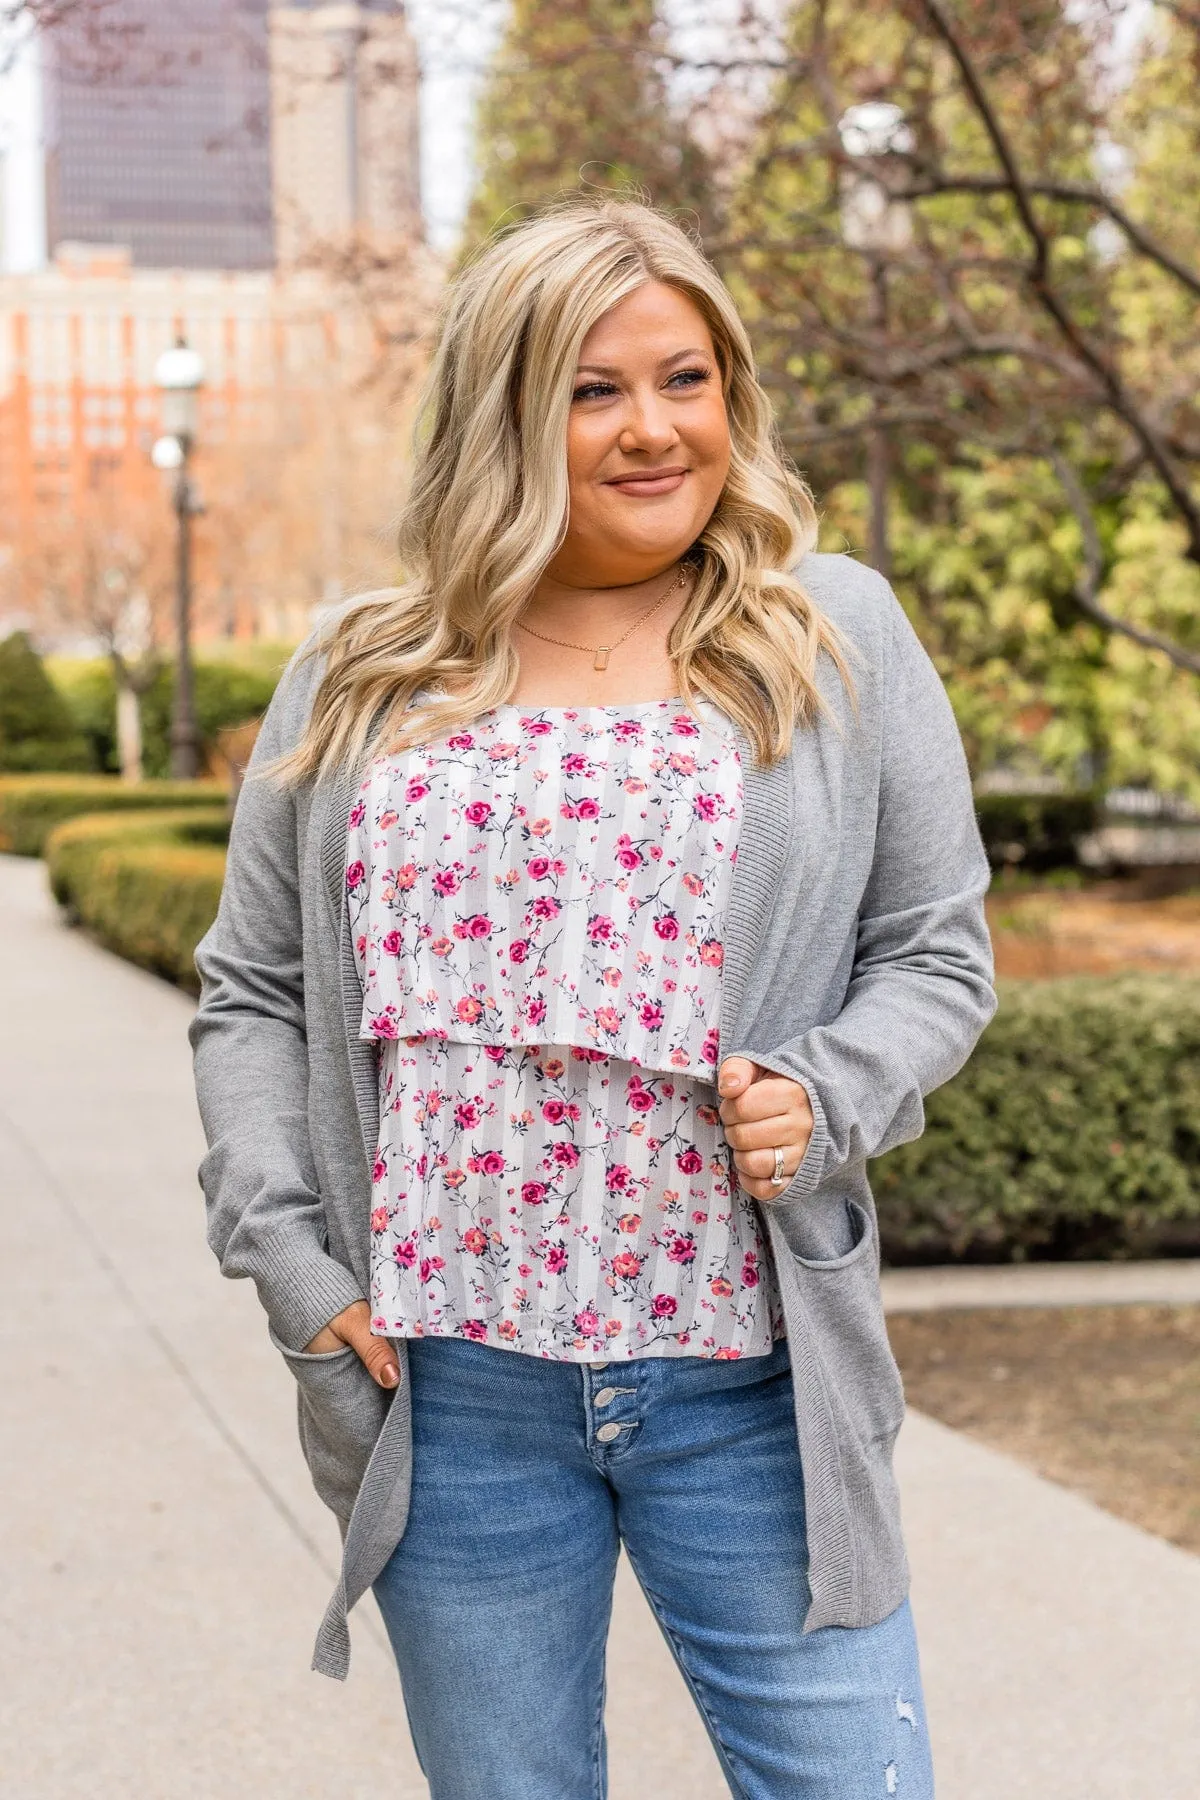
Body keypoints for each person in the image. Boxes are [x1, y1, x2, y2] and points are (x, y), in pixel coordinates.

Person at [190, 197, 996, 1800]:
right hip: (452, 1398)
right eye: (593, 387)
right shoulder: (367, 670)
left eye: (685, 379)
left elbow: (938, 952)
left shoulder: (830, 633)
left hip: (744, 1389)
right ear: (504, 410)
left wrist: (827, 1090)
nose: (654, 430)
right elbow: (254, 990)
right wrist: (287, 1257)